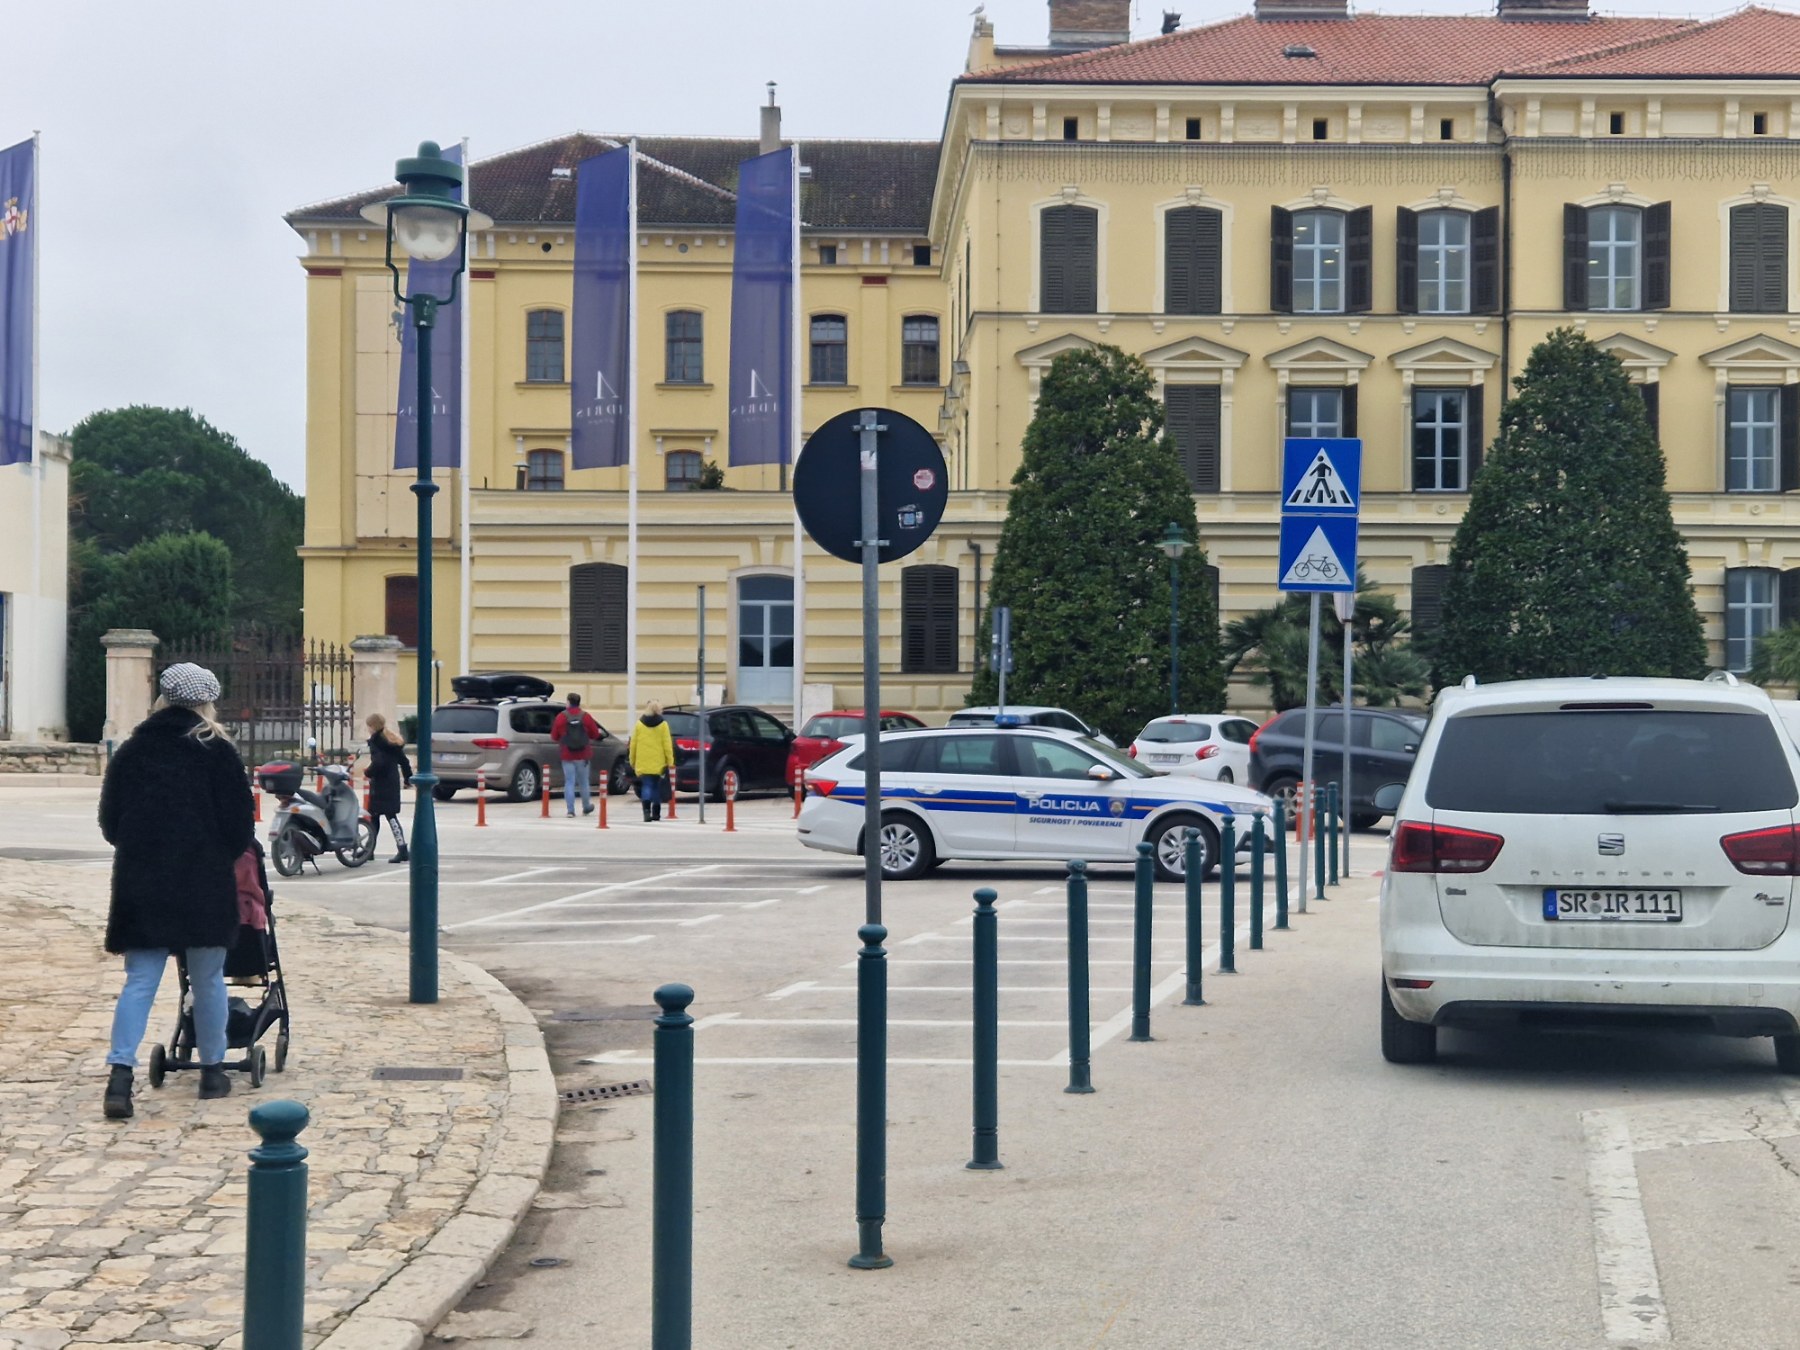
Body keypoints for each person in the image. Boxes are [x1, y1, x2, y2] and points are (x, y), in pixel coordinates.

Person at [97, 663, 254, 1119]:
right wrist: (213, 854)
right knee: (207, 981)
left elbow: (111, 822)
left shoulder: (133, 750)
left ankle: (120, 1079)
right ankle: (211, 1071)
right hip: (203, 880)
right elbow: (238, 827)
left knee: (140, 981)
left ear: (163, 698)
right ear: (207, 702)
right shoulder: (217, 751)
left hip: (142, 880)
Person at [364, 712, 414, 863]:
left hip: (381, 783)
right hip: (391, 782)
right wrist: (407, 778)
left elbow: (379, 762)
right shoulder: (391, 740)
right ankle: (374, 849)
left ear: (372, 726)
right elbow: (404, 762)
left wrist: (368, 772)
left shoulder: (377, 741)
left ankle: (400, 849)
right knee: (383, 817)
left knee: (380, 817)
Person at [552, 692, 603, 817]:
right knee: (584, 782)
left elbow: (554, 736)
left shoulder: (561, 717)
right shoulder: (585, 717)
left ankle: (570, 810)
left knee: (569, 782)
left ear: (568, 702)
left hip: (567, 755)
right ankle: (586, 806)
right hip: (583, 754)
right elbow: (595, 734)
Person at [627, 700, 676, 822]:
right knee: (656, 787)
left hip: (643, 761)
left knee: (647, 785)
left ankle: (646, 812)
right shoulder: (663, 725)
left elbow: (633, 745)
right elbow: (667, 745)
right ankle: (656, 812)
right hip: (658, 762)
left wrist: (632, 760)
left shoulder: (639, 724)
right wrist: (670, 761)